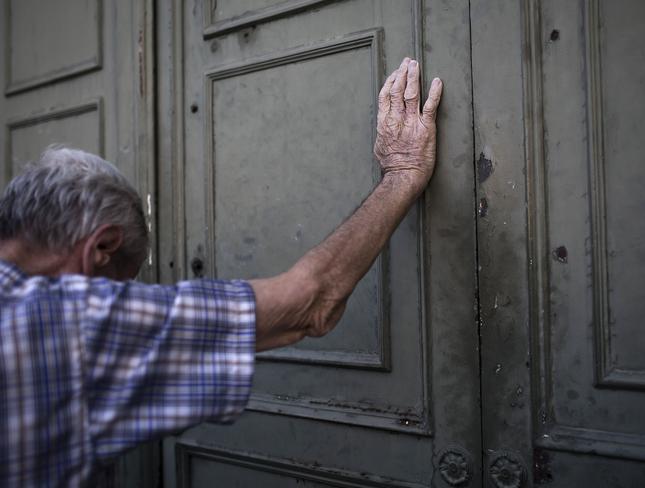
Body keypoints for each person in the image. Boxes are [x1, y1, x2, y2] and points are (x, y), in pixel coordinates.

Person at [0, 58, 442, 486]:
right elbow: (311, 303)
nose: (119, 297)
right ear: (101, 248)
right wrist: (402, 173)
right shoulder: (69, 323)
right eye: (121, 283)